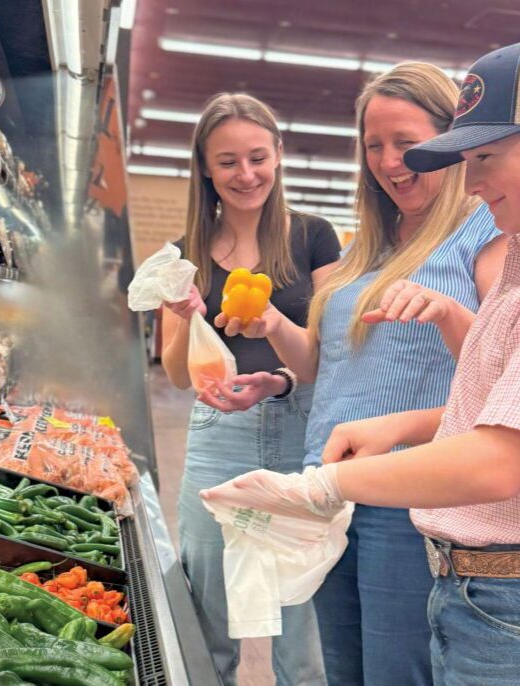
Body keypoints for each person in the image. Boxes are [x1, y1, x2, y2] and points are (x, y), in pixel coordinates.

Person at [203, 38, 520, 686]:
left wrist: (323, 486)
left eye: (486, 158)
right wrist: (399, 427)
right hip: (489, 592)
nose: (471, 181)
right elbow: (500, 407)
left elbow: (502, 459)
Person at [202, 62, 504, 685]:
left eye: (409, 144)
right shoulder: (374, 240)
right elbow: (325, 366)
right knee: (343, 671)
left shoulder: (484, 233)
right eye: (375, 146)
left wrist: (447, 312)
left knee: (396, 671)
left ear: (452, 139)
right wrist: (275, 335)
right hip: (331, 486)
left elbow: (507, 372)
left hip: (409, 494)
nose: (391, 163)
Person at [159, 92, 340, 686]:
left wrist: (273, 330)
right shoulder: (184, 256)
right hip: (219, 438)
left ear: (279, 156)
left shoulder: (315, 238)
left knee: (297, 610)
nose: (246, 174)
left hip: (297, 430)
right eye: (228, 161)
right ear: (205, 169)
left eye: (258, 157)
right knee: (211, 607)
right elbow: (177, 374)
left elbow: (323, 358)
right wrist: (186, 313)